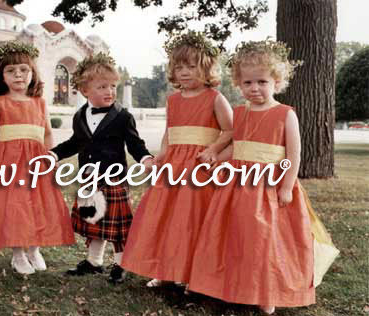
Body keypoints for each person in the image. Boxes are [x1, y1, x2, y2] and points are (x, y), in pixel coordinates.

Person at [188, 39, 338, 314]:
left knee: (265, 241)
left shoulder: (284, 114)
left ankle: (267, 293)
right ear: (238, 84)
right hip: (237, 185)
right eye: (247, 83)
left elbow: (294, 155)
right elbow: (237, 147)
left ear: (276, 82)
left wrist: (287, 187)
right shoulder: (240, 113)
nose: (254, 88)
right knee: (236, 236)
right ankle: (233, 287)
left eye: (261, 82)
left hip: (269, 186)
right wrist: (215, 159)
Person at [121, 31, 233, 288]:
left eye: (191, 67)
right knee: (166, 217)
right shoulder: (173, 100)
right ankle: (165, 269)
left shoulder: (215, 98)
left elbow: (231, 130)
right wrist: (162, 154)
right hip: (174, 166)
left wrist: (214, 150)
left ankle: (192, 272)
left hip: (199, 167)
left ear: (206, 68)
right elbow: (170, 133)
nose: (184, 72)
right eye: (179, 67)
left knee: (192, 219)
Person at [50, 52, 153, 284]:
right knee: (94, 221)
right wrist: (54, 154)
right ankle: (94, 262)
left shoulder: (123, 116)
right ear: (85, 90)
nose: (110, 91)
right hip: (89, 179)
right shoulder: (79, 116)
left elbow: (135, 144)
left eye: (113, 86)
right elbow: (75, 143)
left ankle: (120, 263)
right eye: (102, 86)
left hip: (114, 178)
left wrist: (145, 158)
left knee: (118, 226)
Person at [0, 41, 75, 275]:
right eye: (11, 71)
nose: (18, 74)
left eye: (23, 69)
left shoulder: (39, 103)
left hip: (36, 163)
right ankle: (18, 254)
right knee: (14, 207)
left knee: (36, 204)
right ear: (2, 76)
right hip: (9, 163)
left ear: (33, 73)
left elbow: (48, 133)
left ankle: (34, 249)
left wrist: (51, 159)